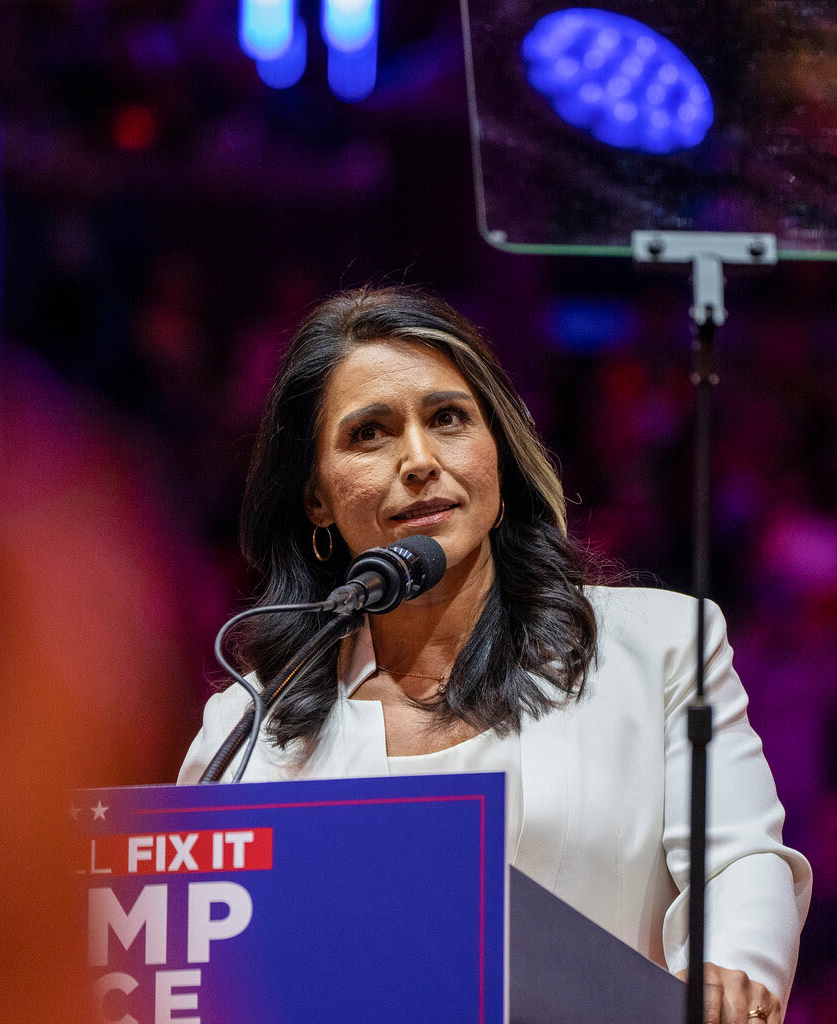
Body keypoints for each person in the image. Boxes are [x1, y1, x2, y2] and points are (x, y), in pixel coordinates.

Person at [178, 285, 811, 1023]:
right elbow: (201, 954)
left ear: (498, 455)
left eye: (448, 419)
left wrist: (727, 971)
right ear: (315, 496)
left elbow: (738, 863)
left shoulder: (660, 648)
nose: (419, 460)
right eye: (370, 434)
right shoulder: (251, 727)